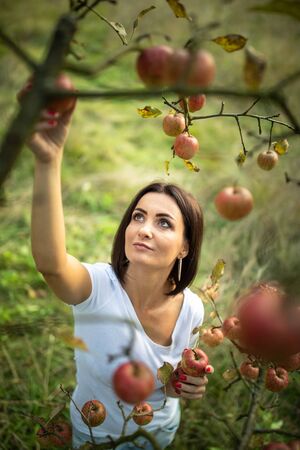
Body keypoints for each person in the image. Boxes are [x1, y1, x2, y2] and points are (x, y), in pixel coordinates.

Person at [28, 100, 208, 449]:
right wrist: (48, 161)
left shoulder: (192, 309)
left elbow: (168, 384)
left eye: (164, 223)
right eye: (138, 216)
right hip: (96, 438)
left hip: (158, 435)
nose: (143, 229)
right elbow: (50, 262)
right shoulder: (96, 289)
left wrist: (185, 386)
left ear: (185, 247)